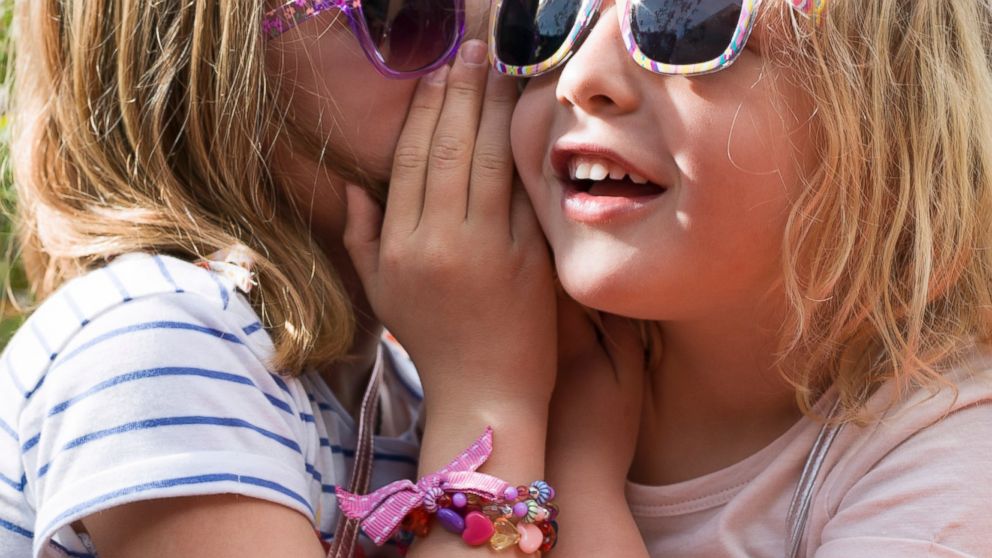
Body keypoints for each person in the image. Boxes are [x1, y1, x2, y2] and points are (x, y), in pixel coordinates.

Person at [347, 0, 992, 555]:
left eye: (682, 20)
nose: (582, 77)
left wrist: (548, 449)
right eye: (548, 16)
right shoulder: (455, 344)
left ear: (894, 101)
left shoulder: (956, 462)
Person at [0, 0, 547, 556]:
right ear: (214, 64)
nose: (487, 53)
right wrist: (492, 398)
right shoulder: (165, 344)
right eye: (405, 14)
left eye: (524, 16)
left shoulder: (407, 389)